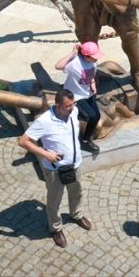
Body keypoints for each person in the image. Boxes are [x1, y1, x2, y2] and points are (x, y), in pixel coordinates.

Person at [17, 89, 93, 248]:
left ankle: (76, 214)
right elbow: (23, 141)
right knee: (54, 200)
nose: (72, 108)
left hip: (74, 164)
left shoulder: (74, 111)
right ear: (57, 105)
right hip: (54, 169)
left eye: (73, 104)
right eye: (67, 106)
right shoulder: (44, 121)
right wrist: (45, 154)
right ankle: (56, 228)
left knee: (77, 192)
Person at [55, 41, 103, 154]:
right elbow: (58, 66)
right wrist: (72, 53)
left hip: (87, 93)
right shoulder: (75, 63)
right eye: (94, 57)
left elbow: (91, 74)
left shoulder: (93, 62)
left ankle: (86, 140)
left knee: (96, 116)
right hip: (75, 95)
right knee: (90, 115)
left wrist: (92, 83)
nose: (96, 59)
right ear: (86, 56)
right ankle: (78, 133)